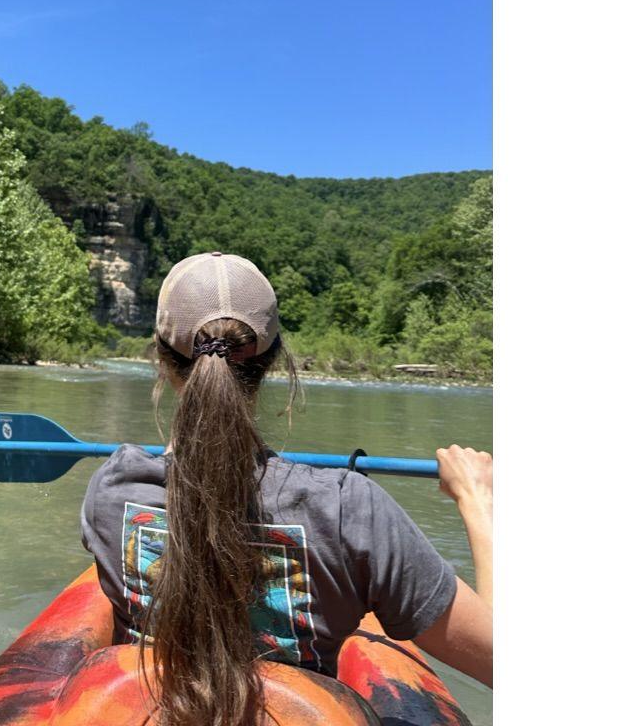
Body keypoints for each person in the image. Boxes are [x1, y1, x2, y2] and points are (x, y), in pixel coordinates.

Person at [80, 251, 492, 726]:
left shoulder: (111, 491)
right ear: (274, 360)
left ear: (160, 359)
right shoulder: (348, 508)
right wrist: (479, 503)